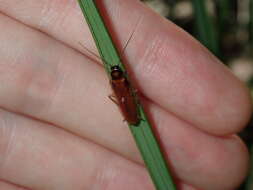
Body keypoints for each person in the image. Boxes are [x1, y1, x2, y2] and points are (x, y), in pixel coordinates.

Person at [0, 1, 251, 190]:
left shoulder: (117, 80)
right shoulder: (120, 81)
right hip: (126, 103)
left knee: (124, 99)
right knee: (123, 99)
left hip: (126, 103)